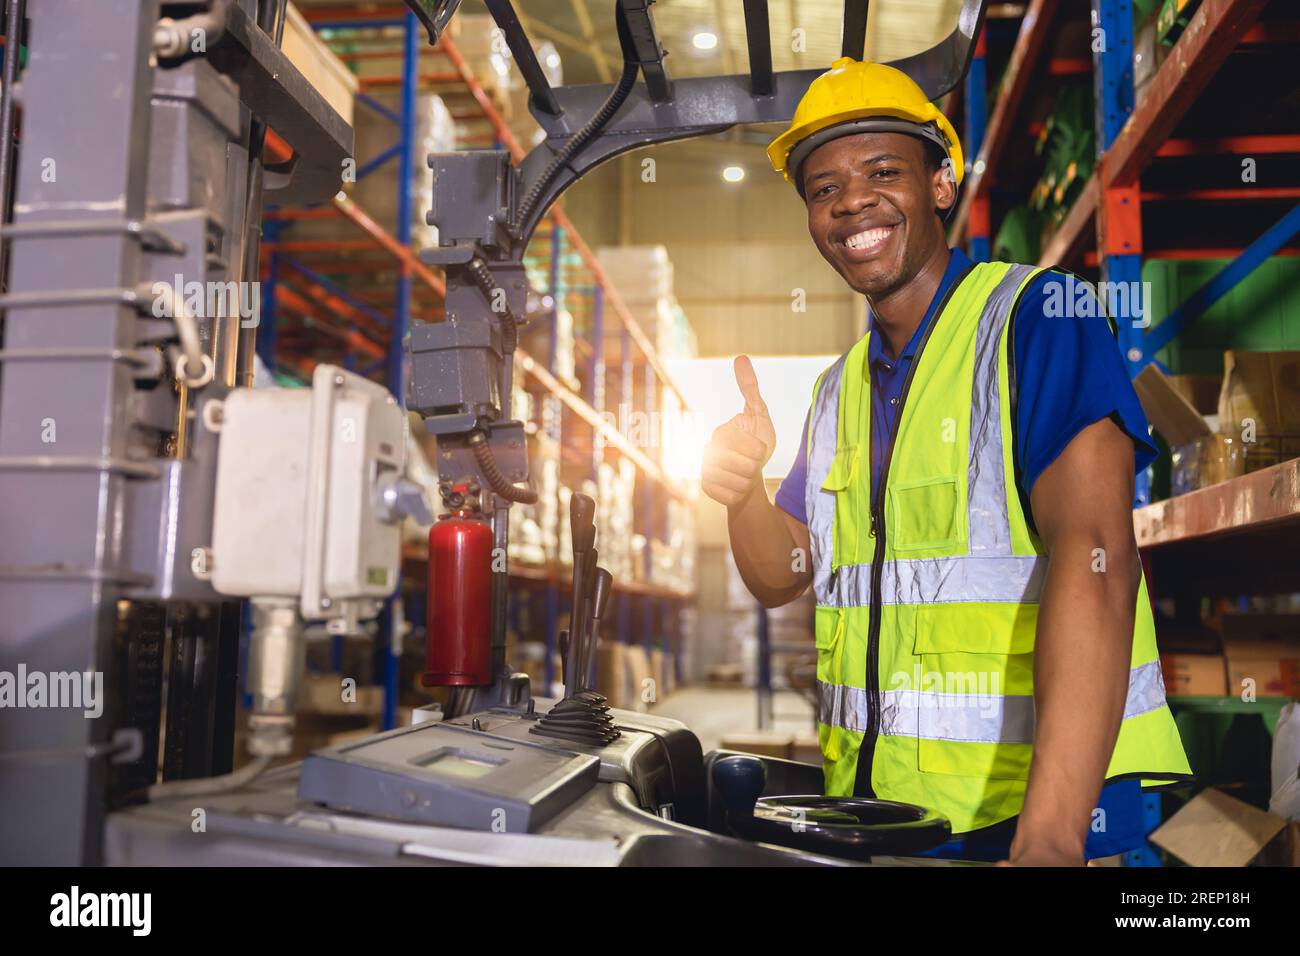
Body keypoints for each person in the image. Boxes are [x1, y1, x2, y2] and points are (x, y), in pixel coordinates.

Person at [701, 59, 1191, 865]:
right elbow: (781, 571)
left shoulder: (1035, 320)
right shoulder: (836, 391)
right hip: (889, 822)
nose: (851, 200)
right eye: (823, 189)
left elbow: (1097, 562)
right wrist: (740, 492)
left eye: (882, 172)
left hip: (1032, 824)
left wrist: (1052, 838)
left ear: (941, 184)